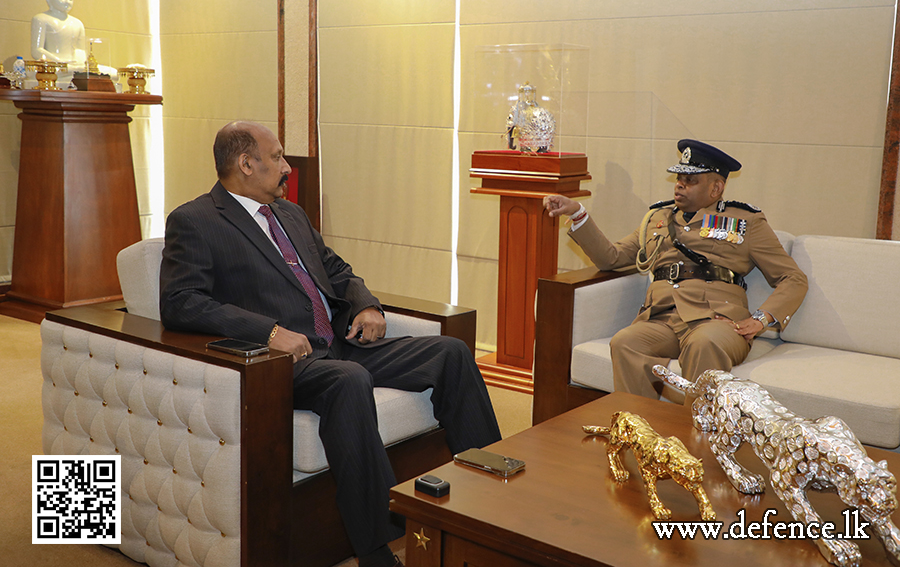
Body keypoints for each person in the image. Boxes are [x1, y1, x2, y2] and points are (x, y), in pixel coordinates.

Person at [160, 121, 501, 567]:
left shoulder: (291, 214)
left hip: (339, 343)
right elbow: (180, 302)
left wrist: (366, 306)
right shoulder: (197, 220)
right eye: (277, 157)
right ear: (246, 163)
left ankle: (491, 505)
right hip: (279, 363)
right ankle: (377, 547)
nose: (286, 167)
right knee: (349, 380)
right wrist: (267, 331)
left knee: (450, 352)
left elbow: (336, 270)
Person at [543, 139, 808, 400]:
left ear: (717, 187)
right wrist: (578, 214)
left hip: (716, 321)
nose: (680, 184)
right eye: (679, 177)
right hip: (662, 318)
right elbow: (612, 259)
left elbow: (792, 278)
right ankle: (641, 432)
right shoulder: (657, 219)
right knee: (626, 342)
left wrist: (760, 320)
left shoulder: (745, 222)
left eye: (691, 180)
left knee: (703, 343)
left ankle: (696, 437)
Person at [31, 0, 87, 70]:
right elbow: (37, 51)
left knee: (113, 72)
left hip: (73, 66)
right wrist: (59, 62)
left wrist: (80, 63)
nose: (67, 1)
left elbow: (80, 50)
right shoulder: (41, 19)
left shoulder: (78, 23)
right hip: (54, 66)